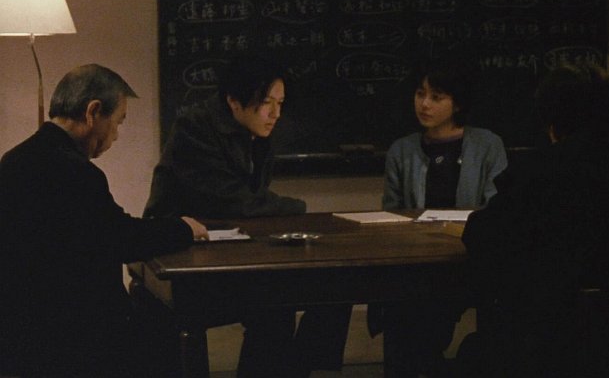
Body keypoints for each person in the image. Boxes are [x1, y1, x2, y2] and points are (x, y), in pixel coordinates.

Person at [458, 61, 609, 376]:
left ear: (551, 118)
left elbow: (483, 236)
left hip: (549, 345)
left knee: (472, 351)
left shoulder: (537, 170)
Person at [144, 56, 350, 377]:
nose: (275, 113)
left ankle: (303, 368)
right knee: (276, 304)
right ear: (233, 101)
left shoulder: (254, 131)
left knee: (334, 285)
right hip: (179, 253)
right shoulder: (195, 127)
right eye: (266, 103)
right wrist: (297, 207)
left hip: (229, 246)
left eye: (280, 103)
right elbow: (235, 202)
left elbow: (250, 204)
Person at [0, 64, 208, 377]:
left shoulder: (13, 160)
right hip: (72, 336)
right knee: (167, 329)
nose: (116, 135)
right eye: (118, 121)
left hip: (18, 331)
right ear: (93, 112)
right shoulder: (76, 172)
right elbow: (122, 238)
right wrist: (183, 227)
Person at [374, 58, 508, 377]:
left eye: (436, 97)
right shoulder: (402, 150)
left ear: (457, 102)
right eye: (420, 94)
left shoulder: (487, 145)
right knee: (403, 304)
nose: (424, 104)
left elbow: (496, 208)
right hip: (416, 258)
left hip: (469, 256)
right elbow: (392, 211)